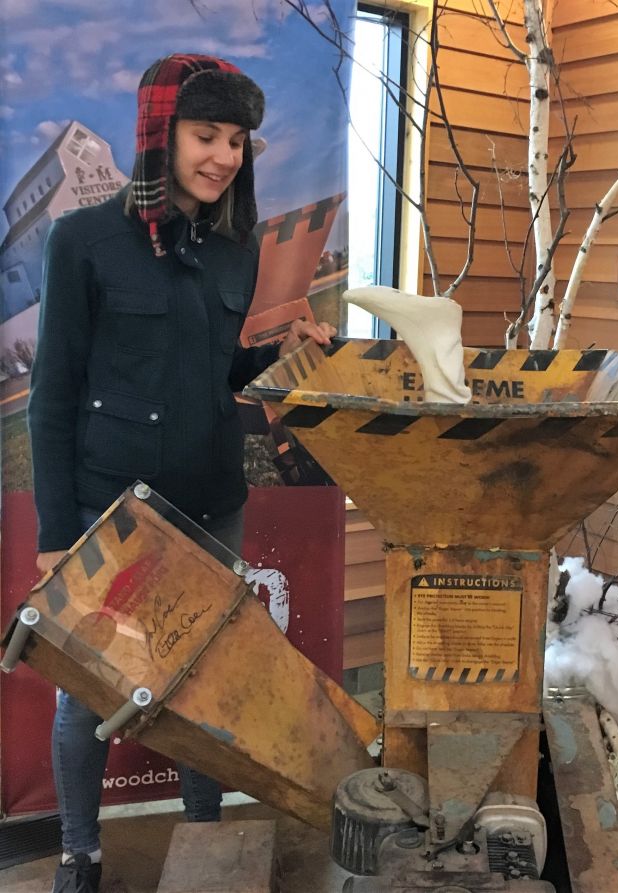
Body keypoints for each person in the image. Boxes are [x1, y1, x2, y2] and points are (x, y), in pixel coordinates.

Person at [27, 53, 335, 893]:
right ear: (160, 135)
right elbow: (50, 400)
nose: (224, 157)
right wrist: (59, 538)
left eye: (237, 140)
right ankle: (79, 854)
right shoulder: (82, 241)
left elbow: (217, 377)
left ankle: (206, 838)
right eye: (207, 135)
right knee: (88, 694)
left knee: (206, 684)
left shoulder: (233, 250)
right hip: (108, 514)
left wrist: (278, 354)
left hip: (209, 505)